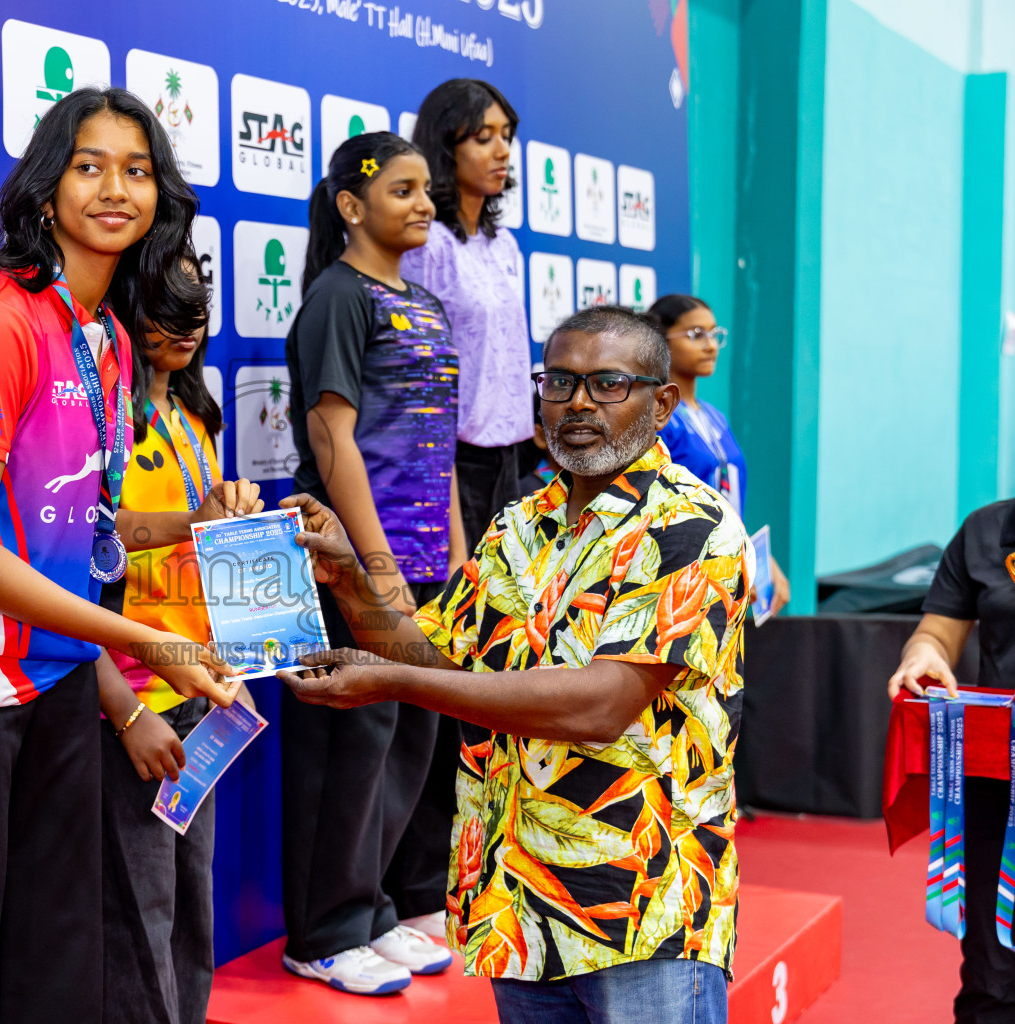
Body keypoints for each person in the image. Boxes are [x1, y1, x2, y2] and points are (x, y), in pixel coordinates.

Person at [0, 87, 241, 1024]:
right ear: (46, 188)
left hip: (56, 684)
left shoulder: (104, 336)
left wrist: (196, 527)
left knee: (53, 965)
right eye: (90, 165)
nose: (116, 188)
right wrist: (148, 649)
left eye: (138, 170)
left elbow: (79, 538)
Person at [280, 306, 750, 1024]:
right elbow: (436, 647)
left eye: (607, 383)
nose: (579, 402)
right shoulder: (520, 523)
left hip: (642, 914)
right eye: (559, 381)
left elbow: (598, 705)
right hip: (519, 907)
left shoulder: (694, 525)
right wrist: (350, 581)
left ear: (661, 404)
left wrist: (396, 683)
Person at [279, 130, 462, 995]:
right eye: (402, 189)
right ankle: (323, 932)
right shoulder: (337, 298)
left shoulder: (423, 301)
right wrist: (373, 564)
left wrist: (456, 556)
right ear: (352, 206)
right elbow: (330, 436)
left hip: (426, 561)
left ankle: (375, 910)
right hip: (350, 564)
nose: (424, 203)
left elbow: (439, 446)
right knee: (347, 745)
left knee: (405, 738)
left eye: (426, 188)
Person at [97, 255, 261, 1024]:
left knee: (193, 902)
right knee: (141, 910)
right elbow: (97, 534)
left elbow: (208, 549)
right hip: (133, 695)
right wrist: (194, 522)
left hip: (204, 691)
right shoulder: (105, 415)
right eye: (169, 304)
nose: (190, 323)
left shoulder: (197, 413)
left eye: (198, 304)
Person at [396, 80, 531, 933]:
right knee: (440, 680)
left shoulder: (505, 244)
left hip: (513, 466)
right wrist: (446, 504)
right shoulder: (431, 247)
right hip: (450, 473)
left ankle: (465, 873)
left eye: (508, 135)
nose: (501, 151)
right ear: (445, 145)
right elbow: (425, 383)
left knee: (496, 677)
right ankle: (413, 890)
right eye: (483, 136)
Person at [886, 364, 1015, 1023]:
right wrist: (922, 659)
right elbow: (936, 634)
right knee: (996, 985)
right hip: (1004, 793)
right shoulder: (986, 532)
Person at [649, 294, 788, 615]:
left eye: (714, 334)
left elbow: (727, 501)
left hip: (727, 573)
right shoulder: (658, 419)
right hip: (680, 577)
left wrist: (761, 559)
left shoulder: (714, 416)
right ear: (658, 341)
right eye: (696, 335)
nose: (711, 345)